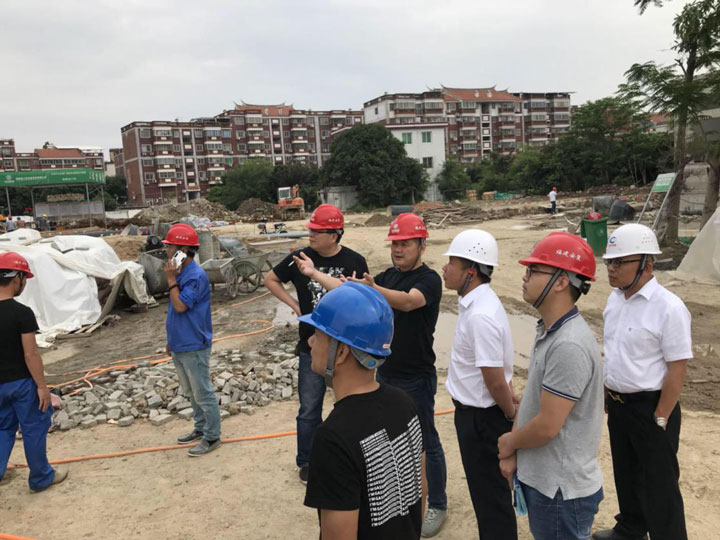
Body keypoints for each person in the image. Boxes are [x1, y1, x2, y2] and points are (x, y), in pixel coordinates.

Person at [293, 213, 448, 536]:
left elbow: (408, 302)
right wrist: (314, 273)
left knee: (425, 441)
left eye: (405, 244)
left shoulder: (428, 279)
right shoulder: (388, 276)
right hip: (384, 373)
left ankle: (437, 502)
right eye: (395, 244)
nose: (398, 249)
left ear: (422, 245)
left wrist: (373, 290)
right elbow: (351, 294)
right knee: (382, 439)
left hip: (415, 376)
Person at [498, 232, 604, 540]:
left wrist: (510, 442)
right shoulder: (550, 330)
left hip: (560, 492)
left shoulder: (569, 344)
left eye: (533, 270)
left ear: (561, 282)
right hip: (546, 482)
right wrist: (514, 452)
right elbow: (532, 399)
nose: (524, 276)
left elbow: (546, 426)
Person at [301, 282, 427, 539]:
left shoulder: (333, 438)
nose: (310, 341)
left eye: (318, 334)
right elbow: (421, 490)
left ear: (341, 352)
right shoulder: (404, 403)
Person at [592, 224, 691, 540]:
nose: (611, 268)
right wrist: (608, 391)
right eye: (609, 261)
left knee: (660, 483)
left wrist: (661, 416)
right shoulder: (615, 300)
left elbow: (677, 368)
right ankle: (631, 529)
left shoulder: (669, 307)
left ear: (647, 264)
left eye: (619, 262)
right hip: (619, 405)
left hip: (652, 407)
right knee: (626, 472)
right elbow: (615, 351)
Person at [263, 204, 368, 483]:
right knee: (309, 409)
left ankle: (352, 457)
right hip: (311, 347)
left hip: (346, 350)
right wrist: (295, 306)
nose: (310, 235)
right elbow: (270, 279)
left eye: (317, 231)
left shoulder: (355, 261)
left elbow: (361, 297)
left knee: (351, 406)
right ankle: (308, 461)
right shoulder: (299, 258)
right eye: (310, 229)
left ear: (334, 235)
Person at [441, 229, 518, 539]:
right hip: (476, 415)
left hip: (482, 419)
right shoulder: (477, 303)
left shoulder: (480, 316)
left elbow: (494, 379)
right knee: (488, 495)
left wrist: (510, 413)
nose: (445, 268)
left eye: (452, 263)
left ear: (470, 271)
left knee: (490, 499)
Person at [0, 251, 68, 491]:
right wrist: (42, 387)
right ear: (16, 278)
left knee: (2, 428)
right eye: (24, 278)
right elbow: (31, 354)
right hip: (21, 384)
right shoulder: (21, 313)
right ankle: (40, 477)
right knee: (33, 428)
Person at [162, 223, 221, 457]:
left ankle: (212, 435)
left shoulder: (195, 276)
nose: (167, 251)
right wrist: (171, 340)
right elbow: (174, 313)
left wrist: (170, 280)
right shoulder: (181, 273)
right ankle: (200, 427)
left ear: (183, 251)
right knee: (191, 392)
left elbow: (180, 306)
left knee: (202, 392)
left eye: (170, 247)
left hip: (194, 344)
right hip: (181, 343)